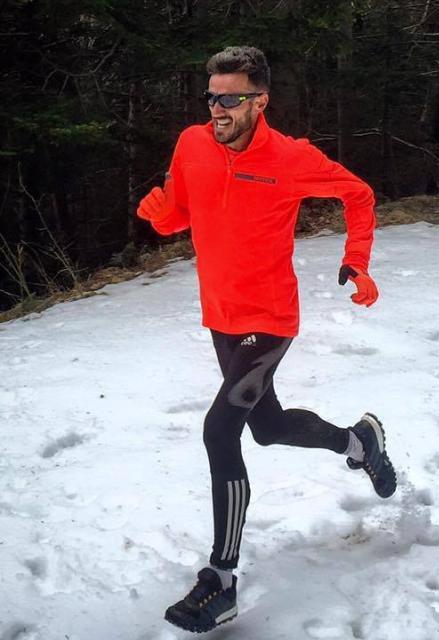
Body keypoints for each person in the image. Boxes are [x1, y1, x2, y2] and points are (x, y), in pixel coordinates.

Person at [136, 45, 397, 633]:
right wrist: (159, 214)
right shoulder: (192, 143)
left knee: (220, 427)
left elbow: (358, 194)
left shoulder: (291, 157)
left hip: (270, 318)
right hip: (221, 315)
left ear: (260, 101)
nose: (217, 109)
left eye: (230, 98)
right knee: (268, 427)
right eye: (211, 96)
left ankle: (221, 581)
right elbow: (182, 212)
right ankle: (360, 443)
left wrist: (357, 261)